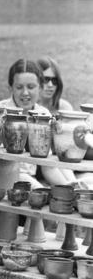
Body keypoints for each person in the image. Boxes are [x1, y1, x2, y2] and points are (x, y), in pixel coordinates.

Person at [0, 58, 51, 189]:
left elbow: (49, 164)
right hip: (3, 175)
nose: (25, 93)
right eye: (19, 87)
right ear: (10, 88)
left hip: (32, 176)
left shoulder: (43, 114)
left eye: (31, 87)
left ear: (40, 87)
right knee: (45, 194)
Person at [36, 56, 93, 188]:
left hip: (63, 161)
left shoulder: (64, 107)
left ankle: (73, 185)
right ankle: (71, 186)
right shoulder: (32, 108)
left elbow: (72, 143)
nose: (50, 85)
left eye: (54, 80)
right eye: (46, 80)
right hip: (40, 164)